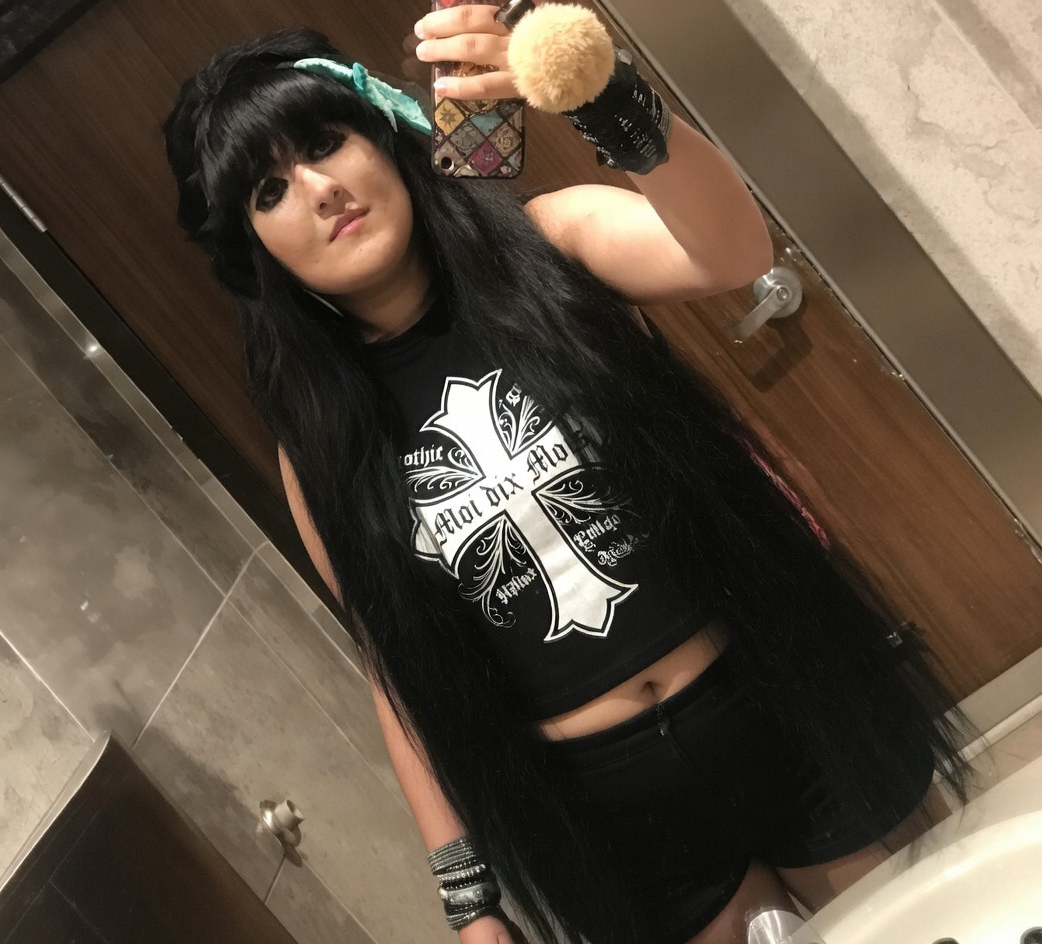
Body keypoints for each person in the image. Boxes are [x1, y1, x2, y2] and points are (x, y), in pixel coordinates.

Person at [162, 9, 974, 944]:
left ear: (380, 137)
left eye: (323, 143)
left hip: (776, 698)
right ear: (256, 247)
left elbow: (730, 251)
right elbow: (401, 674)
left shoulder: (543, 244)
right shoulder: (320, 449)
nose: (318, 188)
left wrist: (602, 94)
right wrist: (469, 901)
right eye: (269, 189)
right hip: (612, 818)